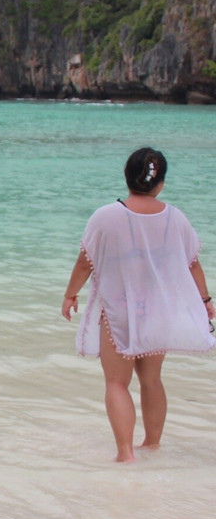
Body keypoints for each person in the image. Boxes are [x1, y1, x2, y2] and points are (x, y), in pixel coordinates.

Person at [62, 147, 214, 462]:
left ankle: (126, 454)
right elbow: (192, 264)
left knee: (117, 382)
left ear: (127, 176)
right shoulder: (175, 217)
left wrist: (69, 294)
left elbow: (85, 262)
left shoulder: (105, 216)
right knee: (152, 379)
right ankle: (153, 445)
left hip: (120, 311)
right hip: (158, 310)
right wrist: (205, 301)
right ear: (160, 182)